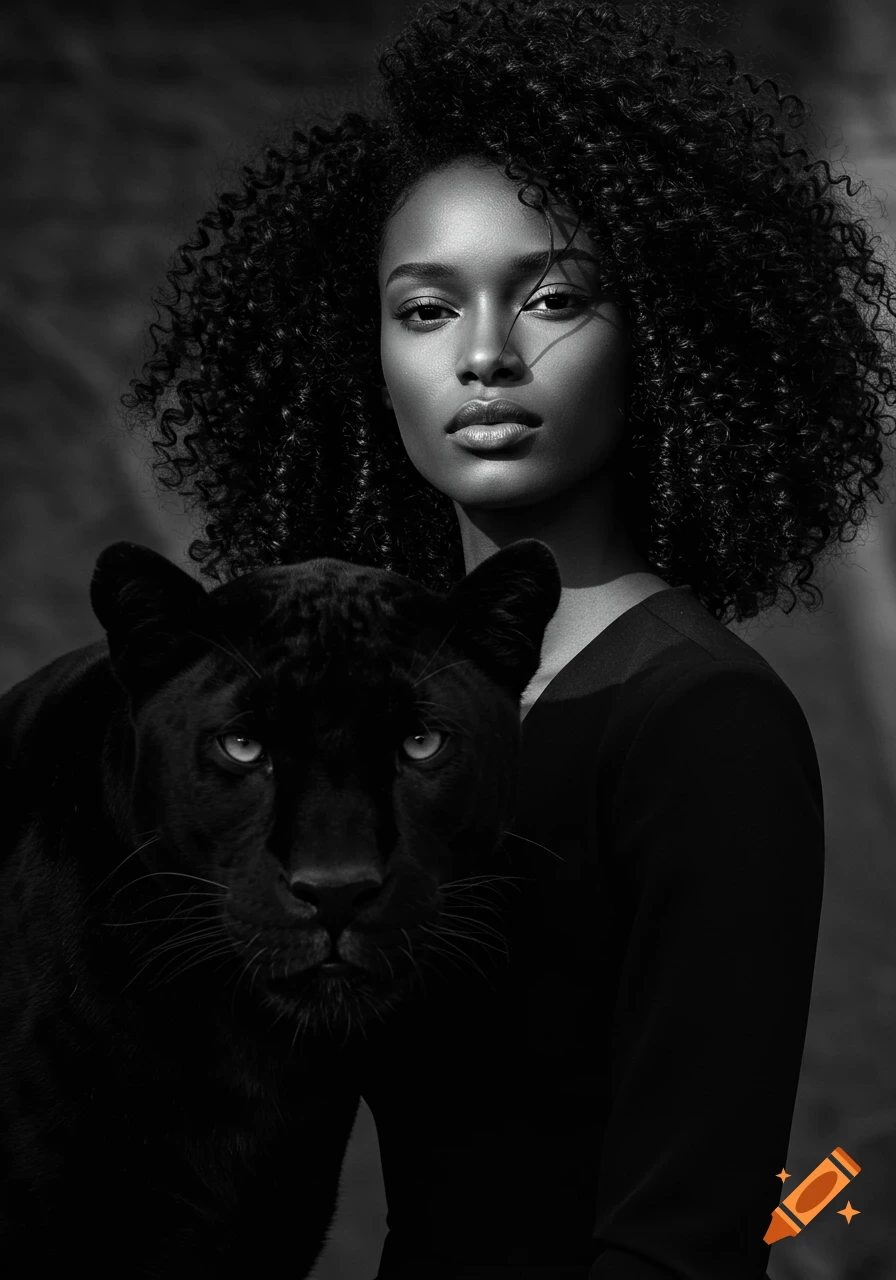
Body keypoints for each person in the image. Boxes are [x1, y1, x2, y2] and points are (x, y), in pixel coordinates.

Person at [122, 0, 896, 1275]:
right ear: (357, 352)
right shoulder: (362, 722)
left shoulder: (698, 716)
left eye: (551, 298)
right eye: (424, 309)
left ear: (663, 335)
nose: (485, 356)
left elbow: (690, 1229)